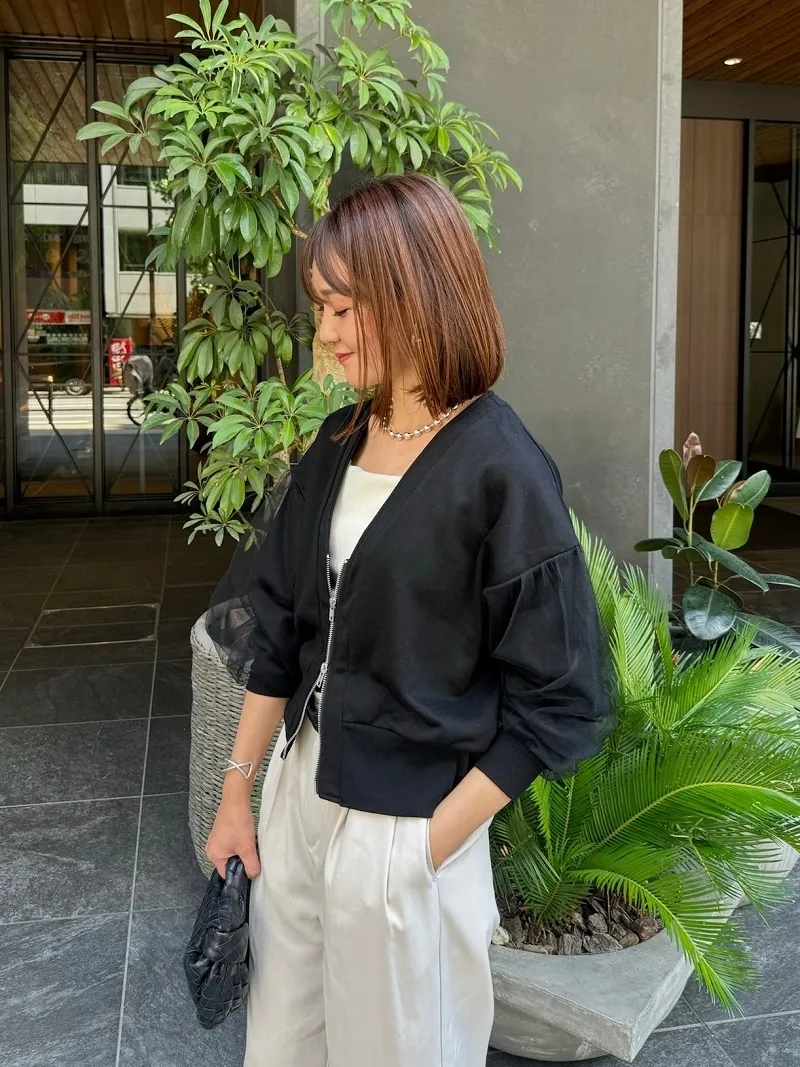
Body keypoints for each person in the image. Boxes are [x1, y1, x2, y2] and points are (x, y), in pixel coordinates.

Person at [205, 173, 610, 1067]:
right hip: (299, 795)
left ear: (415, 292)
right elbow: (280, 630)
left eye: (344, 307)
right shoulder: (338, 443)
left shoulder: (502, 470)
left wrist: (426, 846)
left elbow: (560, 699)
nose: (326, 332)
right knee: (282, 1045)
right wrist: (239, 795)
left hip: (406, 821)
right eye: (322, 307)